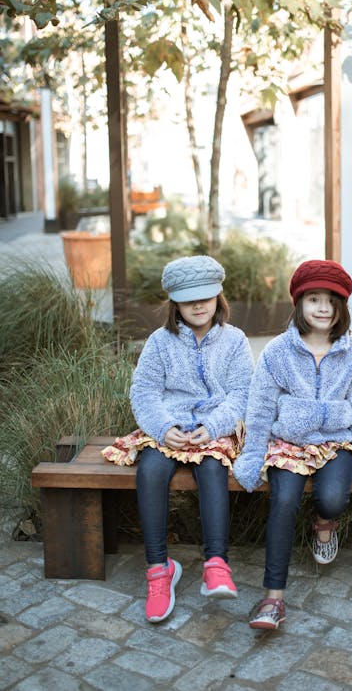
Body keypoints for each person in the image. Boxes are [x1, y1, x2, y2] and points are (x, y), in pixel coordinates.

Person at [232, 259, 352, 630]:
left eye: (331, 301)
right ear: (299, 304)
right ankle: (273, 600)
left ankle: (325, 522)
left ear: (341, 308)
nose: (323, 308)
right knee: (284, 500)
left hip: (337, 443)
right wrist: (253, 454)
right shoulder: (277, 352)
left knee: (333, 497)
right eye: (314, 299)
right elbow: (259, 409)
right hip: (288, 443)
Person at [102, 255, 254, 623]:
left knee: (213, 466)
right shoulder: (159, 343)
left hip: (214, 430)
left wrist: (216, 425)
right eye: (189, 300)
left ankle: (216, 563)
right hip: (169, 427)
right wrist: (162, 426)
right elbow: (144, 392)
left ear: (218, 296)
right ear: (175, 303)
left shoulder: (234, 341)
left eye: (205, 296)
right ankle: (159, 570)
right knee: (151, 470)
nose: (199, 305)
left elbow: (242, 392)